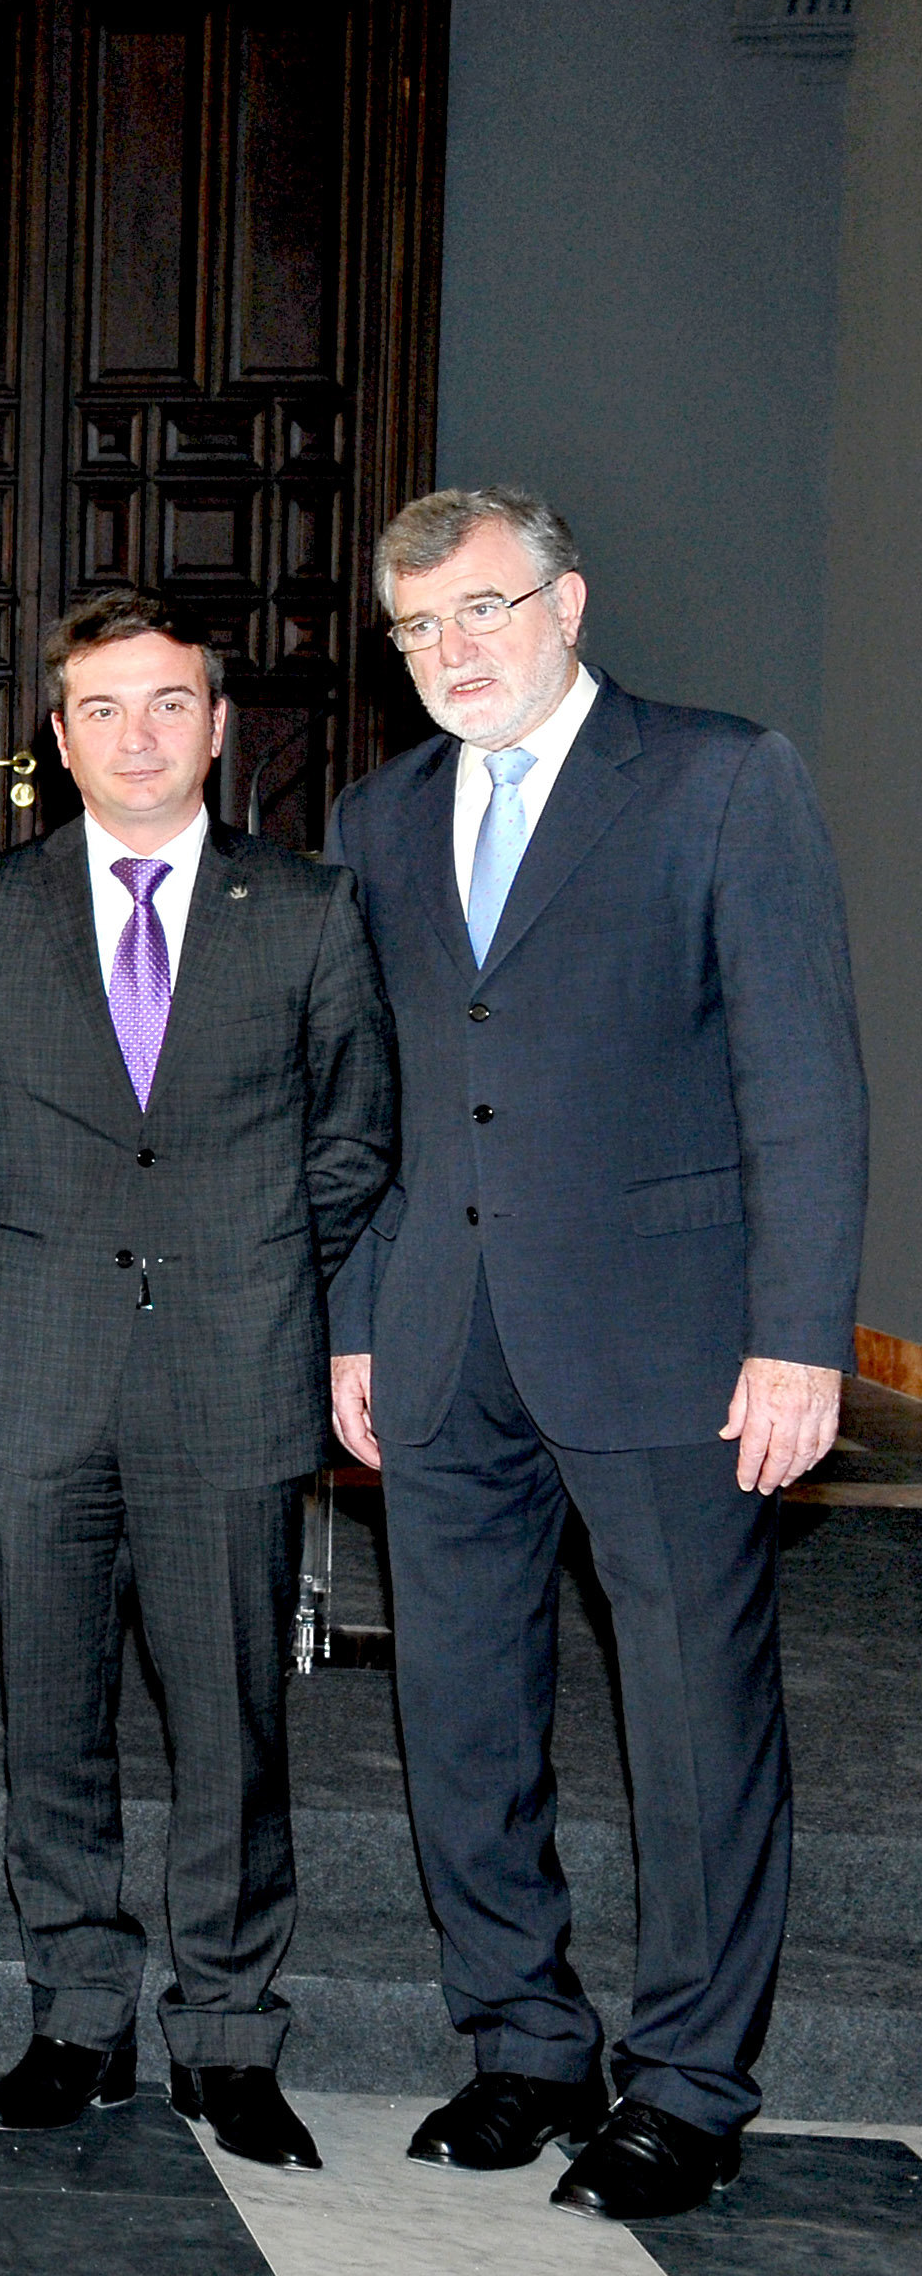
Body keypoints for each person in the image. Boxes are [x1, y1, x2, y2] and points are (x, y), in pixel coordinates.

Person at [327, 488, 865, 2223]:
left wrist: (799, 1340)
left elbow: (803, 1079)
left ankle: (690, 2087)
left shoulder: (719, 777)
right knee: (462, 1715)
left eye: (484, 608)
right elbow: (371, 1103)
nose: (453, 649)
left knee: (695, 1723)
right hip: (441, 1336)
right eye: (419, 626)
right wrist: (357, 1317)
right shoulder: (378, 817)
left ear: (567, 604)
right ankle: (525, 2046)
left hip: (670, 1340)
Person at [0, 592, 396, 2170]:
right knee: (50, 1717)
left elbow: (354, 1134)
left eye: (169, 704)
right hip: (42, 1367)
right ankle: (78, 2019)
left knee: (231, 1726)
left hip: (233, 1366)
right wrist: (27, 1270)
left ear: (219, 726)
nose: (138, 736)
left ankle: (230, 2037)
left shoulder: (310, 909)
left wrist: (251, 1267)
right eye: (104, 709)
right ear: (59, 738)